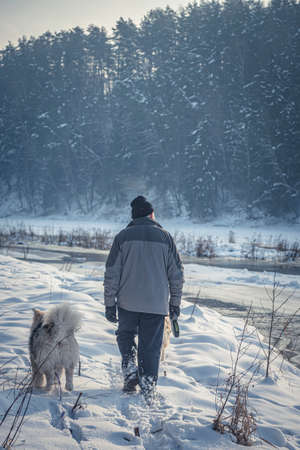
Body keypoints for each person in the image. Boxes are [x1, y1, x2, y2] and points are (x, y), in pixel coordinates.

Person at [104, 195, 184, 402]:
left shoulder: (122, 237)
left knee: (126, 335)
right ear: (151, 214)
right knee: (150, 346)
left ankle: (130, 370)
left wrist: (109, 303)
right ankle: (148, 384)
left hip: (127, 303)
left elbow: (112, 272)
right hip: (156, 306)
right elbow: (176, 274)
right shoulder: (165, 237)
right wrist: (175, 303)